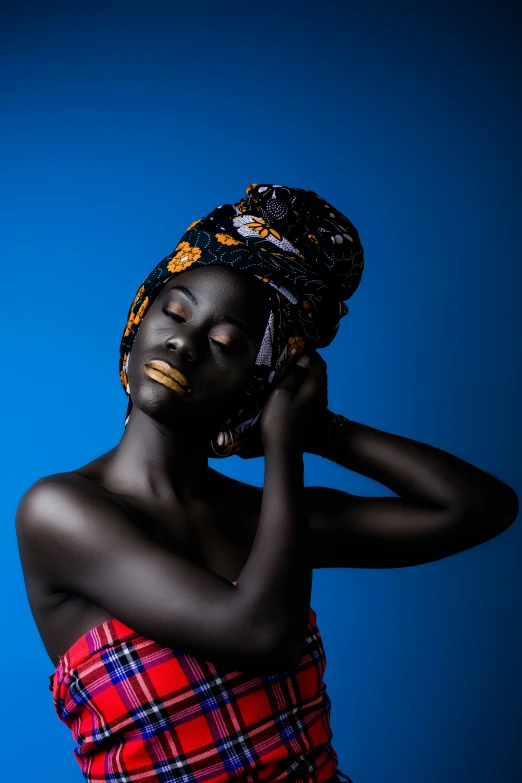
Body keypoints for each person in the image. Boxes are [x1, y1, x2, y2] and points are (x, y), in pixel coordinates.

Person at [16, 184, 518, 783]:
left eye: (226, 344)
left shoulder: (266, 519)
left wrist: (316, 428)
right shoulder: (59, 511)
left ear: (259, 383)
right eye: (173, 311)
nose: (184, 342)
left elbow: (477, 508)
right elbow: (260, 634)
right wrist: (283, 448)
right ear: (139, 315)